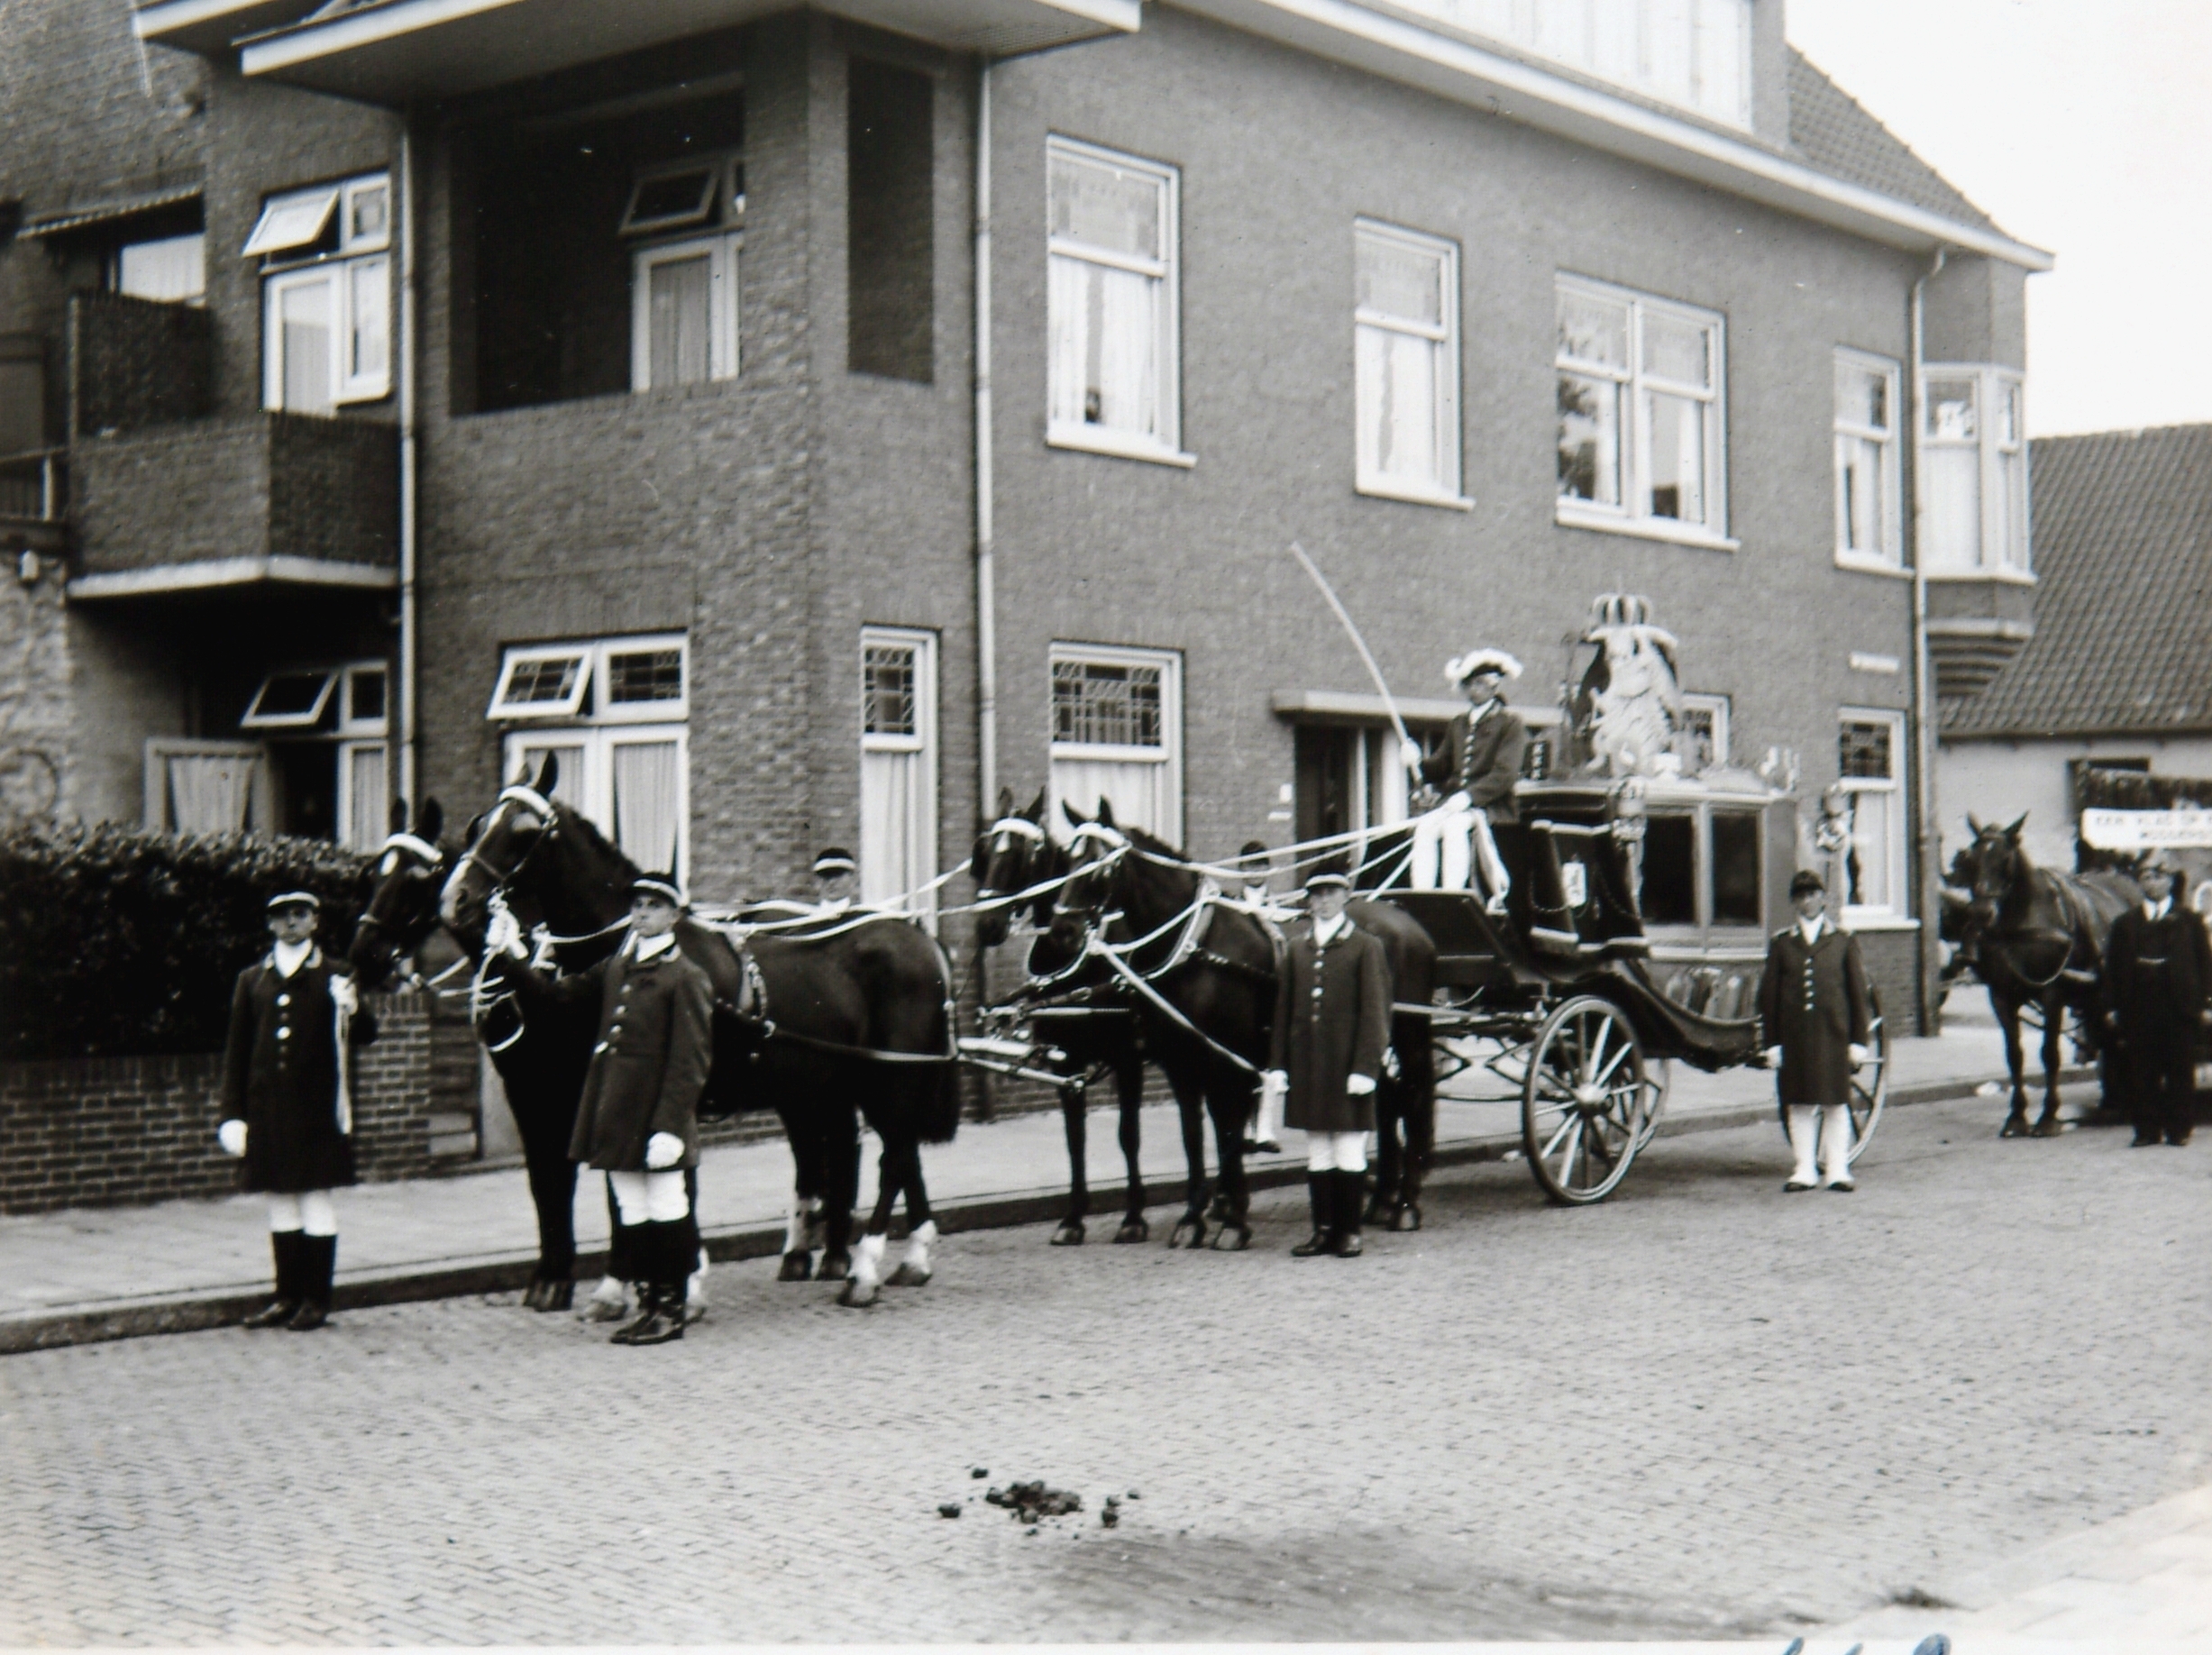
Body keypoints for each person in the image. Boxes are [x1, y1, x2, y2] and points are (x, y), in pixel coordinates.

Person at [503, 873, 715, 1344]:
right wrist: (512, 958)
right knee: (632, 1209)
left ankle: (671, 1309)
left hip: (657, 1118)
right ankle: (647, 1303)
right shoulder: (617, 967)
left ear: (674, 916)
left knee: (667, 1206)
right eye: (637, 905)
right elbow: (556, 997)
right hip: (618, 1116)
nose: (643, 913)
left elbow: (690, 1062)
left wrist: (670, 1126)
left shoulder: (686, 976)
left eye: (654, 906)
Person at [217, 890, 379, 1331]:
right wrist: (232, 1114)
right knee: (280, 1203)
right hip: (268, 1111)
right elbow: (237, 1053)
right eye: (281, 916)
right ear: (270, 924)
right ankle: (285, 1297)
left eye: (299, 914)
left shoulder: (336, 974)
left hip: (316, 1113)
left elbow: (366, 1034)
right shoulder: (253, 980)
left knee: (315, 1201)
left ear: (314, 921)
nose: (291, 922)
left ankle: (315, 1300)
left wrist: (352, 1007)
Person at [1264, 864, 1391, 1257]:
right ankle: (1322, 1231)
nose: (1323, 901)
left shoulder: (1366, 946)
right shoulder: (1297, 949)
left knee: (1349, 1148)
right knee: (1318, 1149)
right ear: (1309, 901)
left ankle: (1350, 1231)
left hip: (1348, 1065)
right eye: (1316, 895)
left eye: (1331, 893)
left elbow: (1375, 1013)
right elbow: (1283, 1012)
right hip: (1309, 1067)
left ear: (1345, 896)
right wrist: (1278, 1065)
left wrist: (1366, 1068)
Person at [1757, 869, 1873, 1192]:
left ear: (1824, 899)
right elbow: (1769, 998)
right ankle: (1804, 1169)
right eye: (1801, 896)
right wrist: (1772, 1043)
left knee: (1836, 1104)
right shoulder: (1782, 943)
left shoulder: (1843, 941)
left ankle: (1837, 1169)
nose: (1807, 901)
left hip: (1834, 1035)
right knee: (1799, 1104)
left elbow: (1857, 995)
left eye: (1813, 895)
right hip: (1795, 1038)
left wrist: (1859, 1041)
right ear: (1794, 902)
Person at [1406, 648, 1528, 911]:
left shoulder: (1510, 723)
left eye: (1479, 683)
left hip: (1492, 807)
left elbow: (1505, 774)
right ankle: (1422, 895)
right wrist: (1417, 762)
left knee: (1454, 828)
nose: (1473, 690)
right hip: (1455, 804)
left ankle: (1454, 897)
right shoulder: (1458, 724)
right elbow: (1441, 766)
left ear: (1494, 686)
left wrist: (1469, 796)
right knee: (1425, 827)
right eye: (1469, 684)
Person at [2104, 854, 2212, 1148]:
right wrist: (2113, 1006)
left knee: (2180, 1069)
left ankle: (2179, 1129)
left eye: (2159, 877)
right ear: (2140, 883)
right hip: (2139, 1006)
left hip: (2179, 1006)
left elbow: (2204, 963)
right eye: (2146, 878)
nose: (2153, 883)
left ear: (2170, 881)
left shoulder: (2189, 921)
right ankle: (2146, 1130)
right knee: (2142, 1070)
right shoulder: (2125, 924)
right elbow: (2113, 968)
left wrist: (2205, 1003)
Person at [1234, 839, 1291, 1155]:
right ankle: (1244, 1129)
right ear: (1241, 870)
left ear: (1268, 870)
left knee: (1268, 1061)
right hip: (1241, 993)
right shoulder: (1231, 905)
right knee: (1242, 1062)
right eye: (1249, 866)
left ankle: (1264, 1131)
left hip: (1270, 990)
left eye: (1260, 866)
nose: (1254, 872)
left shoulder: (1278, 905)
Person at [812, 847, 859, 912]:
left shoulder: (864, 916)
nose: (831, 882)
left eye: (838, 875)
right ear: (817, 882)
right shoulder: (808, 915)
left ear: (853, 879)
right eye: (826, 876)